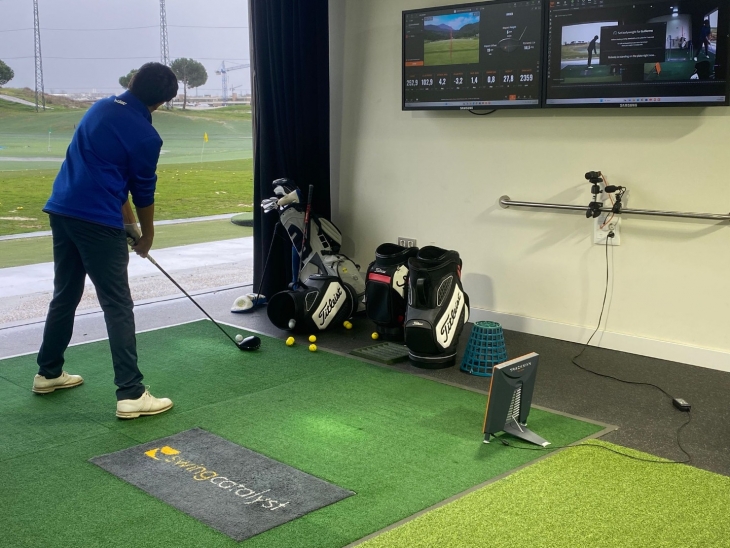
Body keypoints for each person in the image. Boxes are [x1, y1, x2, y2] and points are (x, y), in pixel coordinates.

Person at [32, 62, 179, 419]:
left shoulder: (100, 107)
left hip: (63, 210)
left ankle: (48, 373)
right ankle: (131, 393)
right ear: (162, 102)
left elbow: (110, 175)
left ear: (132, 82)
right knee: (117, 304)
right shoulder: (146, 136)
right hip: (96, 220)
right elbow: (142, 191)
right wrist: (147, 235)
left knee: (65, 293)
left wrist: (128, 225)